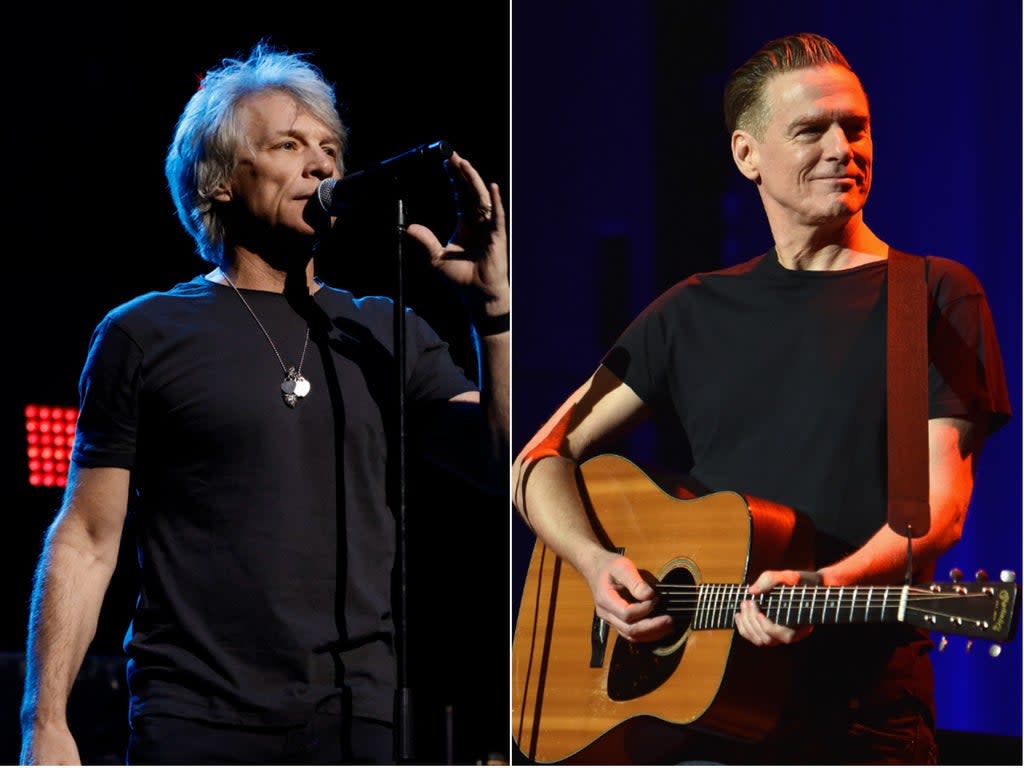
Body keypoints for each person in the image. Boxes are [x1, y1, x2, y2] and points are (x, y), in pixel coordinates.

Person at [512, 31, 1010, 765]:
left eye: (857, 126)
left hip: (861, 720)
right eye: (812, 130)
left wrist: (824, 584)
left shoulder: (932, 295)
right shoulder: (693, 310)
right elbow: (539, 461)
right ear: (748, 156)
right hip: (697, 726)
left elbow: (938, 512)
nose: (844, 147)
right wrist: (593, 564)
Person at [19, 40, 509, 765]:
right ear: (218, 180)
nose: (321, 165)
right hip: (195, 716)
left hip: (356, 718)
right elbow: (88, 538)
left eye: (331, 149)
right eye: (288, 144)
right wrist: (45, 720)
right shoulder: (145, 333)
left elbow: (507, 466)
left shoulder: (383, 327)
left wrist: (493, 313)